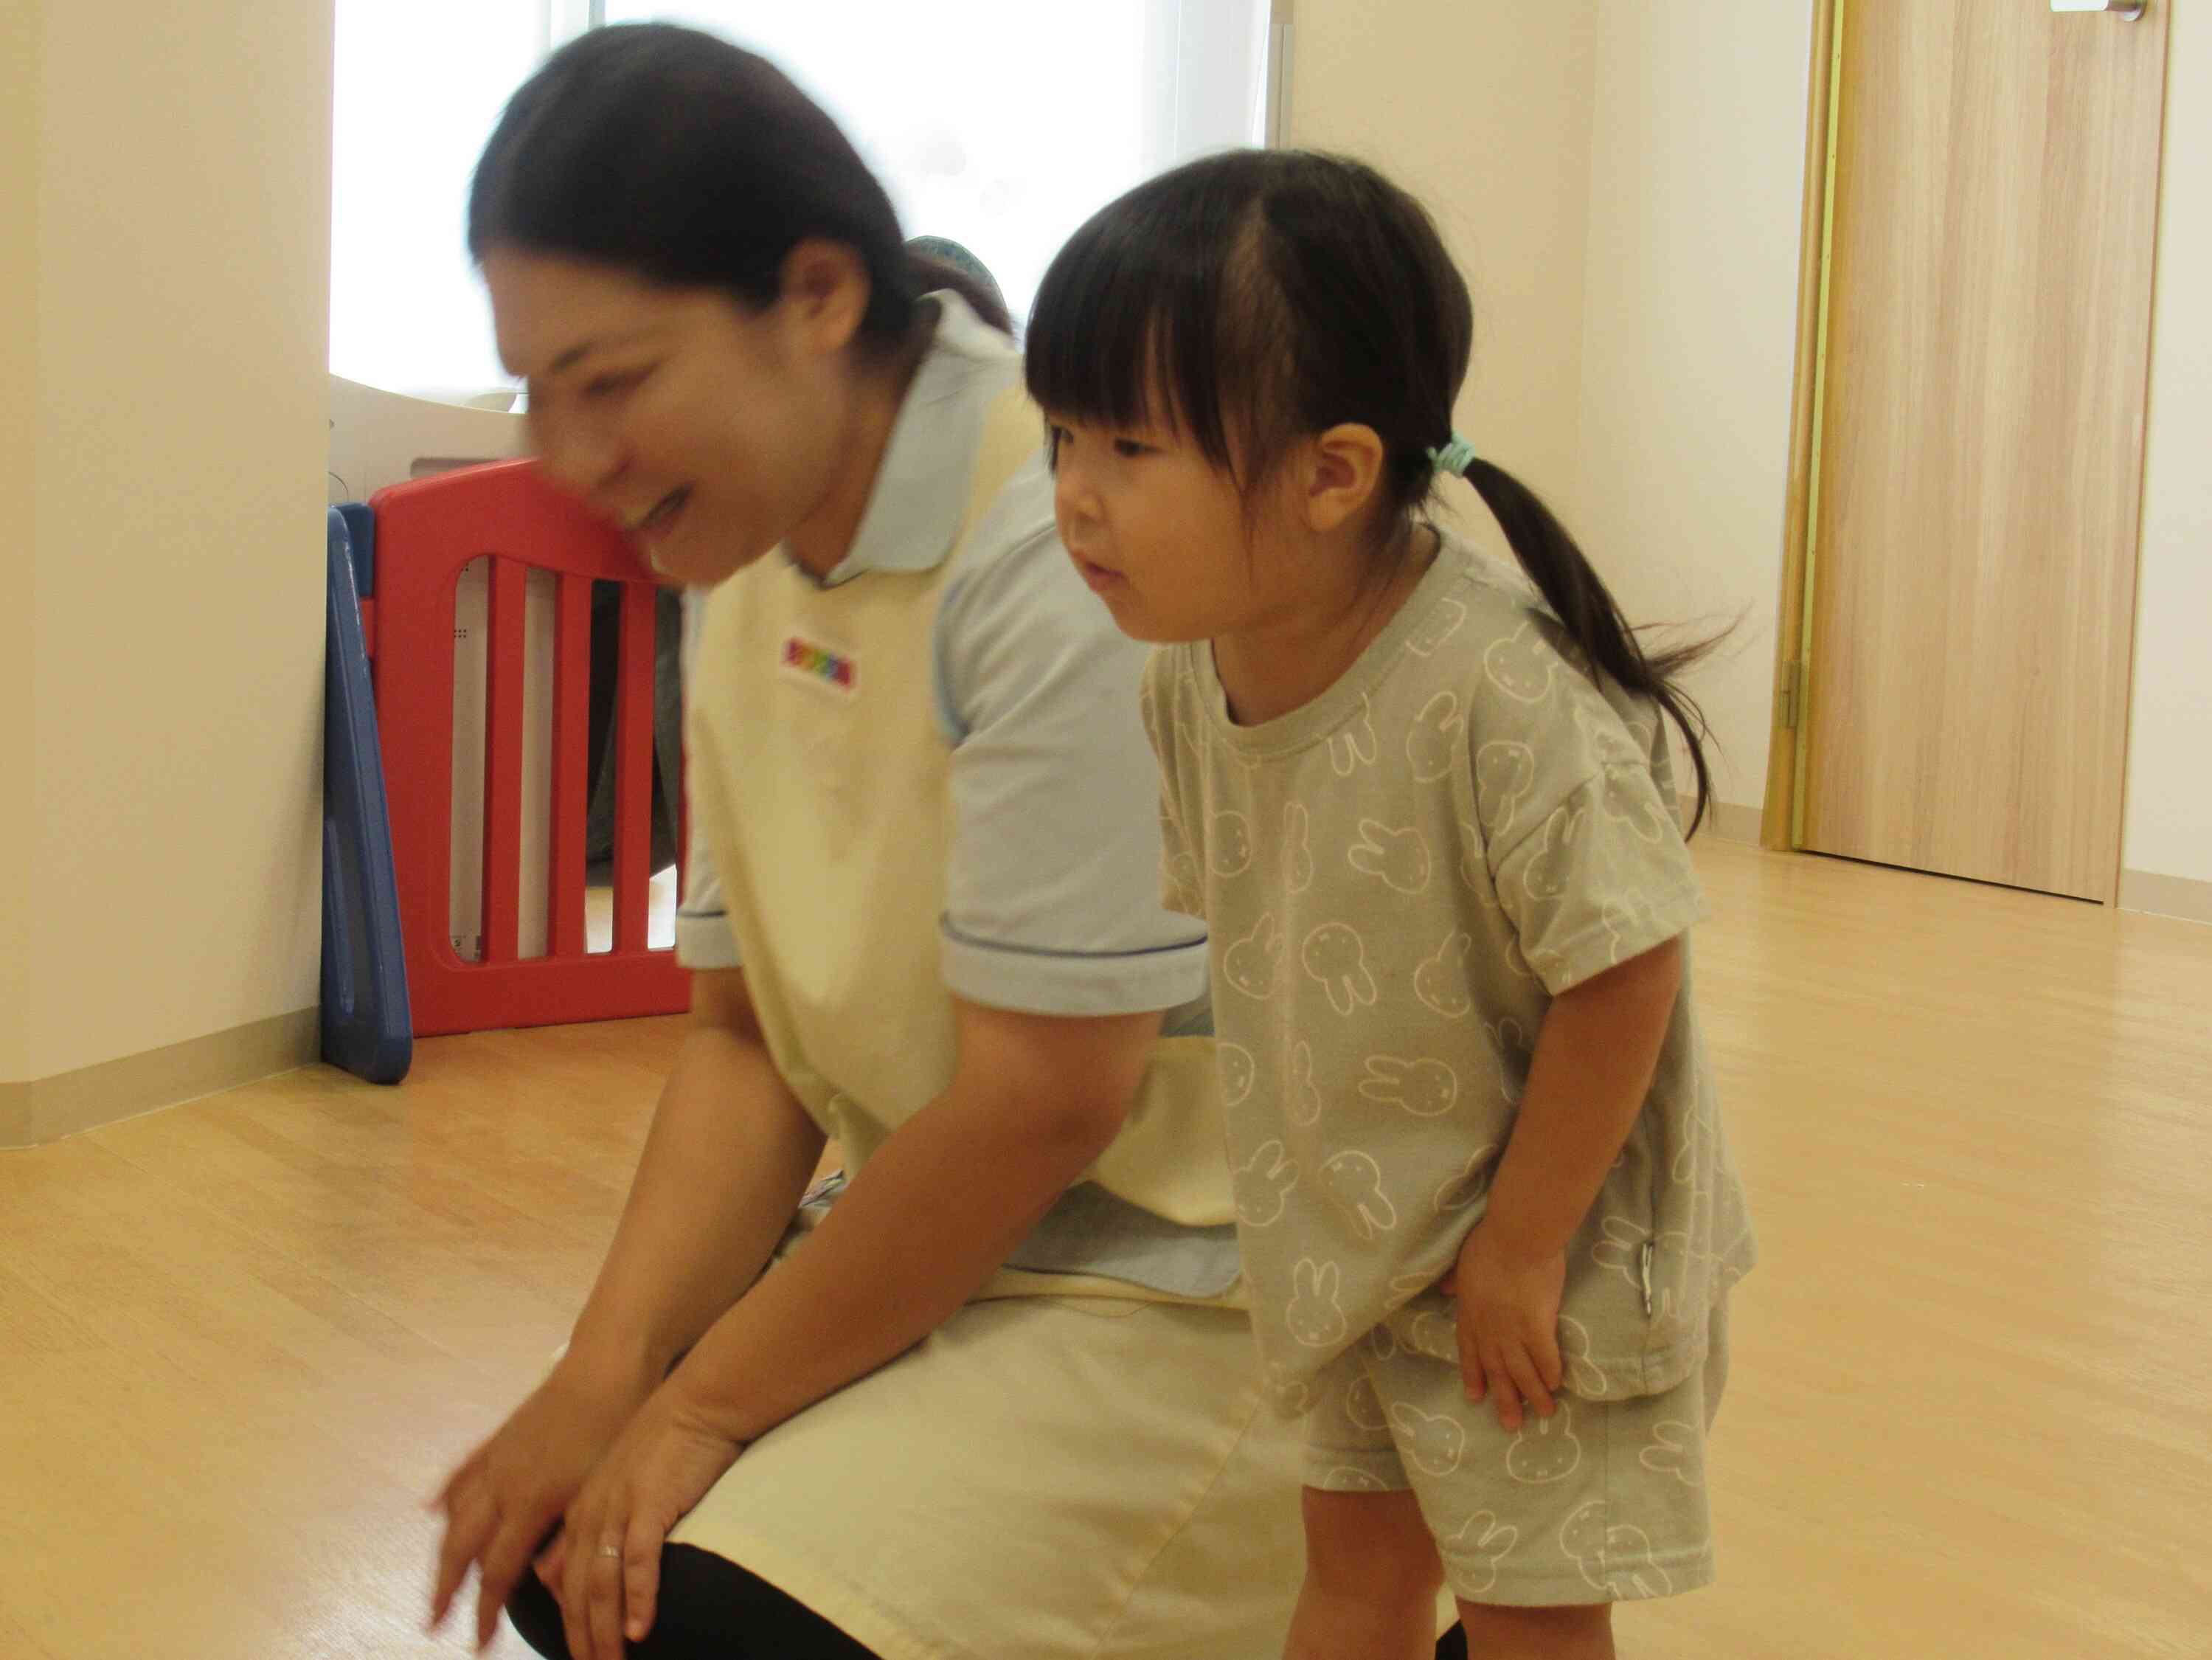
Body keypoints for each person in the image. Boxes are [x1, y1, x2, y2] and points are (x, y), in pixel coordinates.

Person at [423, 26, 1474, 1660]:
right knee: (577, 1557)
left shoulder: (1054, 537)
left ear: (820, 299)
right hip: (973, 1245)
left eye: (616, 384)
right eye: (538, 396)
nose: (571, 462)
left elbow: (1049, 1096)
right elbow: (745, 1037)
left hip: (1201, 1293)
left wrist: (695, 1412)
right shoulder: (750, 544)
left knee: (688, 1610)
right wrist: (600, 1381)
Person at [1024, 150, 1757, 1660]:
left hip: (1542, 1250)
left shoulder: (1499, 692)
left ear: (1333, 472)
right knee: (1353, 1578)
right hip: (1362, 1234)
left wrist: (1525, 1246)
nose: (1073, 498)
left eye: (1129, 446)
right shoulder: (1191, 674)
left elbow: (1629, 970)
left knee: (1525, 1615)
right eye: (1059, 437)